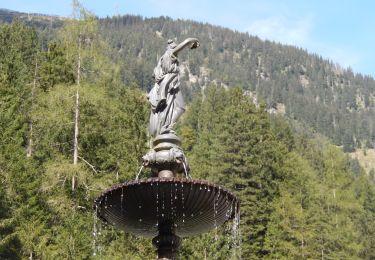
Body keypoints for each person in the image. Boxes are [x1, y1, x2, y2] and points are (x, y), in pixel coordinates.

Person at [148, 38, 200, 137]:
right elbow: (183, 45)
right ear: (171, 47)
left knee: (171, 107)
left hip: (169, 82)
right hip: (170, 81)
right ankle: (166, 126)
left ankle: (166, 126)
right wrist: (192, 40)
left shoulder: (162, 59)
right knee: (177, 107)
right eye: (174, 46)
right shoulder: (170, 54)